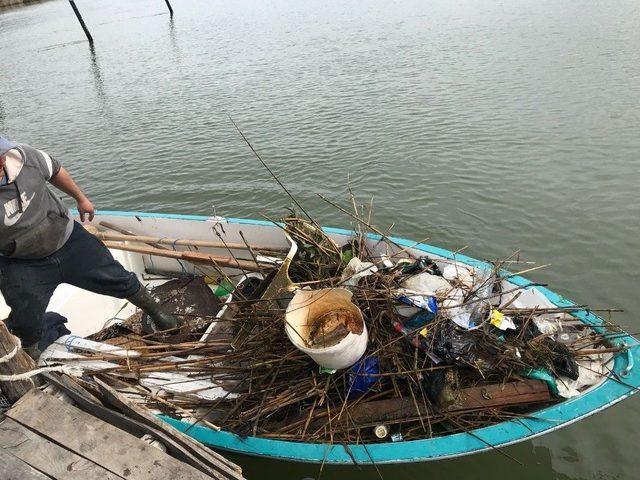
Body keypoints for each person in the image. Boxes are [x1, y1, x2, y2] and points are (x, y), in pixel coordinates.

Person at [0, 135, 179, 358]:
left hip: (68, 240)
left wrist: (80, 198)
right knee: (26, 322)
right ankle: (29, 358)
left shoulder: (26, 157)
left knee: (119, 278)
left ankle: (159, 314)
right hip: (21, 262)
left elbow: (55, 170)